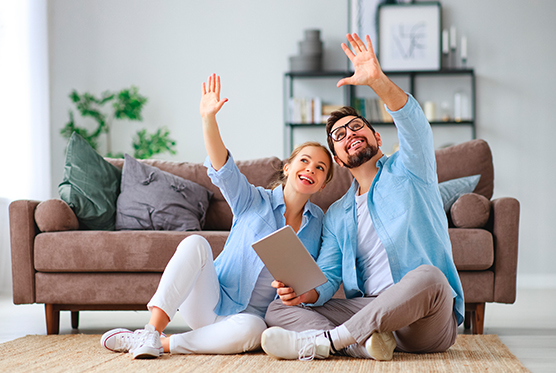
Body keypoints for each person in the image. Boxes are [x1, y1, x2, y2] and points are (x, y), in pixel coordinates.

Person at [260, 34, 464, 362]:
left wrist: (378, 81)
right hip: (370, 314)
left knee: (431, 278)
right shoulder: (339, 213)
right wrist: (303, 294)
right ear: (339, 160)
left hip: (423, 318)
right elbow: (327, 276)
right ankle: (361, 345)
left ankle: (330, 342)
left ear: (376, 137)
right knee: (276, 310)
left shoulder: (411, 169)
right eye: (338, 136)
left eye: (356, 127)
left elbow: (415, 127)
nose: (350, 134)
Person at [100, 74, 334, 359]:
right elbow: (223, 168)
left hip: (249, 321)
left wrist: (300, 292)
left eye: (320, 168)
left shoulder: (320, 222)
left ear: (323, 184)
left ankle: (159, 344)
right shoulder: (253, 199)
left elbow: (321, 278)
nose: (311, 169)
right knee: (195, 243)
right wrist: (208, 119)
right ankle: (151, 330)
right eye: (305, 161)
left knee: (255, 331)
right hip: (213, 300)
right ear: (287, 168)